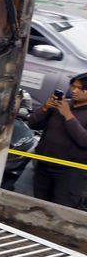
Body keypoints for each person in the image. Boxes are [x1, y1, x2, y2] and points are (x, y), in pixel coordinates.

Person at [28, 72, 87, 209]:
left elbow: (84, 141)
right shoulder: (61, 105)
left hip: (71, 172)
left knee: (61, 210)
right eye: (73, 86)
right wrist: (44, 108)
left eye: (80, 88)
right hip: (44, 165)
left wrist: (68, 116)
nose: (74, 91)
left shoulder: (65, 110)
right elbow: (33, 124)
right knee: (38, 206)